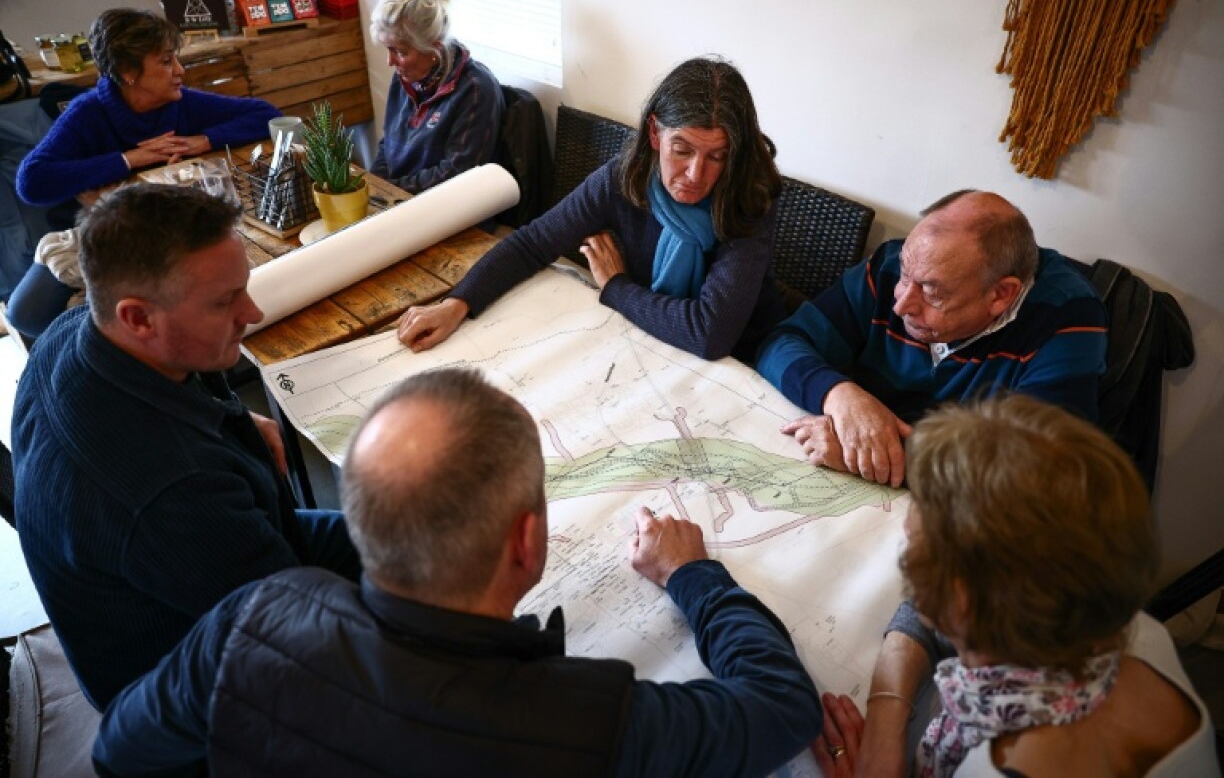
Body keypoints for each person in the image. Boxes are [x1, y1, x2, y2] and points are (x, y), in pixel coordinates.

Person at [92, 368, 824, 777]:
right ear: (526, 539)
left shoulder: (256, 612)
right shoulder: (583, 722)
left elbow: (118, 749)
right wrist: (693, 574)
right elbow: (783, 706)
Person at [12, 183, 360, 710]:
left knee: (397, 533)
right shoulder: (170, 489)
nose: (253, 312)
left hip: (182, 573)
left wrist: (236, 417)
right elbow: (294, 632)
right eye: (224, 301)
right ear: (138, 317)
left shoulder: (72, 331)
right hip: (180, 686)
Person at [817, 396, 1218, 777]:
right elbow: (924, 611)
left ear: (962, 599)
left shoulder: (1003, 766)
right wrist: (884, 728)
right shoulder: (1134, 635)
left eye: (915, 537)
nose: (904, 539)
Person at [396, 56, 788, 364]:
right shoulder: (624, 178)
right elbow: (535, 241)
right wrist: (457, 303)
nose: (695, 174)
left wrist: (617, 288)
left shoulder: (749, 198)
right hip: (653, 342)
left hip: (742, 363)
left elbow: (709, 333)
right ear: (654, 133)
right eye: (681, 150)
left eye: (716, 156)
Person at [756, 189, 1107, 488]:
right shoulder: (893, 263)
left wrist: (871, 455)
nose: (901, 302)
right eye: (906, 276)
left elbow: (1043, 468)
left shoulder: (1067, 316)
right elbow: (780, 344)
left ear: (1001, 294)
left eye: (930, 291)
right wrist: (840, 396)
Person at [8, 8, 278, 340]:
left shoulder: (181, 103)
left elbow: (266, 114)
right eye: (166, 62)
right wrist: (127, 159)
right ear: (128, 71)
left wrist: (203, 141)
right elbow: (31, 181)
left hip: (174, 236)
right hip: (103, 230)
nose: (179, 70)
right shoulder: (87, 114)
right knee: (25, 315)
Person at [368, 0, 504, 194]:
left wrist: (389, 192)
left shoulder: (476, 89)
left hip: (449, 209)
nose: (390, 61)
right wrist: (373, 186)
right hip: (400, 198)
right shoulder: (405, 76)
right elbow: (388, 145)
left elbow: (457, 175)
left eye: (400, 52)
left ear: (435, 48)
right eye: (388, 49)